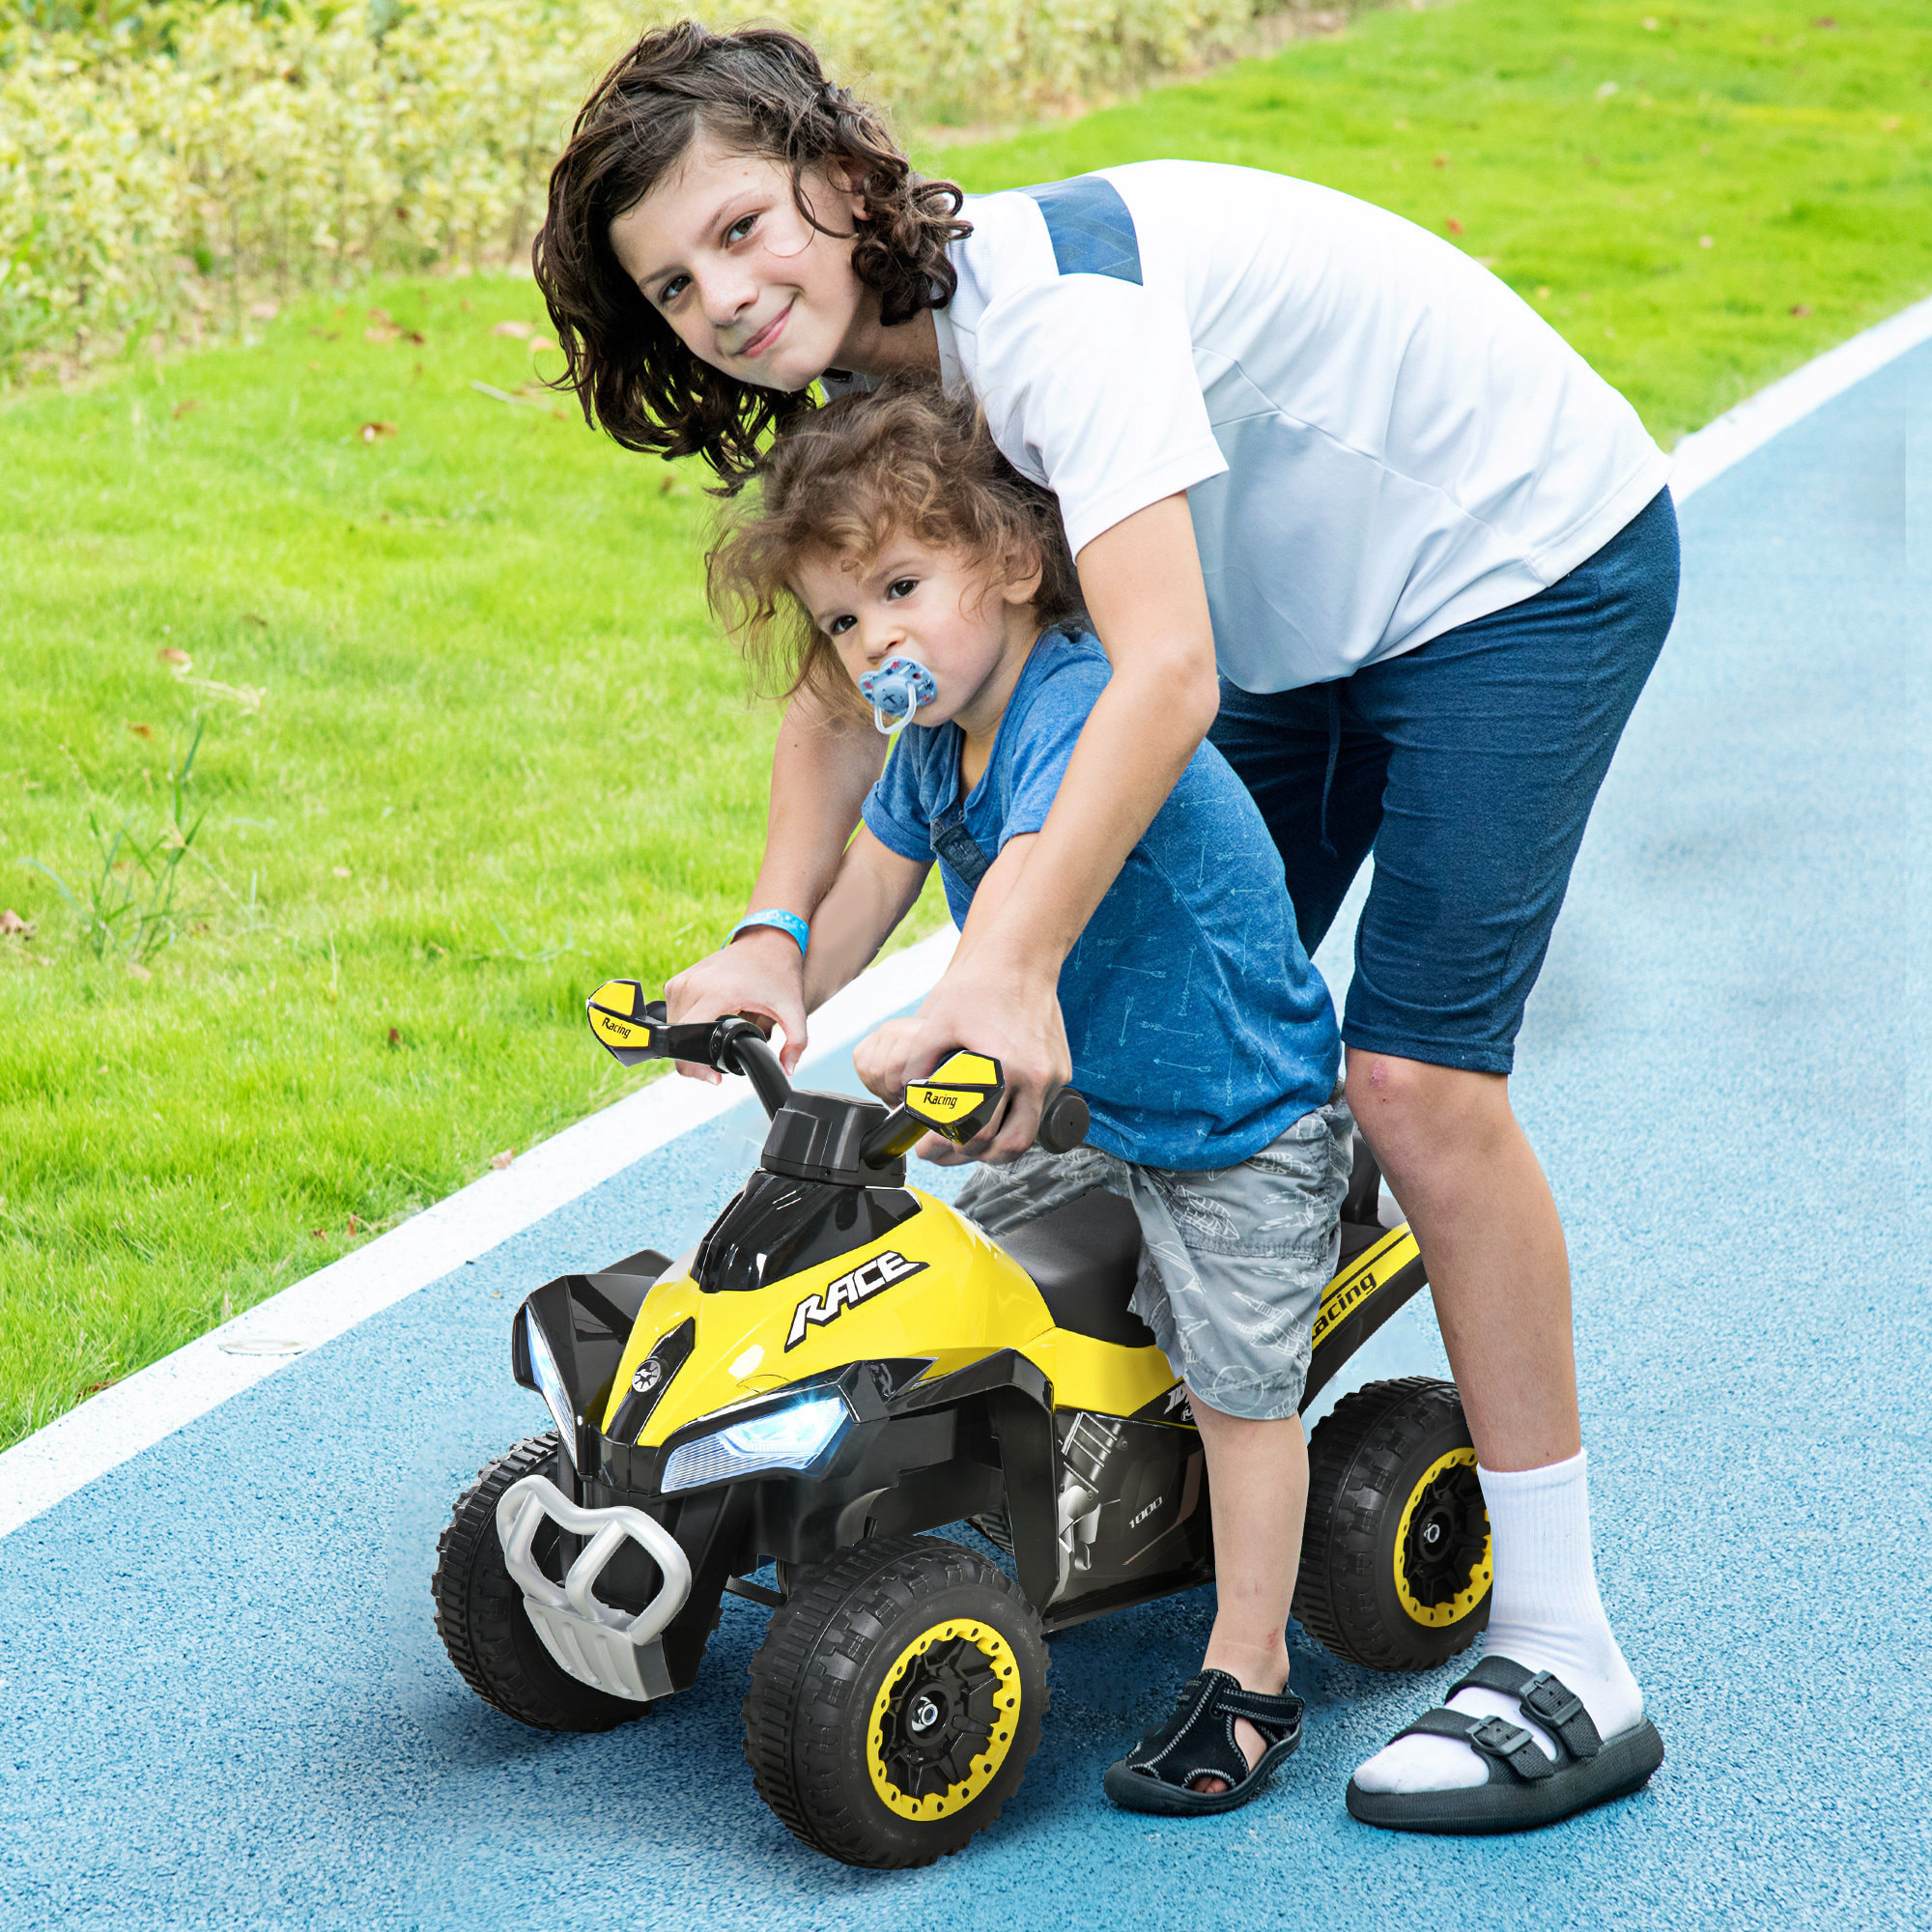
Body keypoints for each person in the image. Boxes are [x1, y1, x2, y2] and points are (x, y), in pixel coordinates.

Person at [534, 21, 1676, 1832]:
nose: (724, 296)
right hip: (1298, 616)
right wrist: (771, 934)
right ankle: (1148, 1448)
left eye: (745, 229)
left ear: (842, 180)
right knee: (1172, 1003)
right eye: (674, 284)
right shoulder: (864, 389)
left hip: (1507, 565)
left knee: (1408, 1083)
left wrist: (1005, 957)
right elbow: (856, 693)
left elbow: (1163, 669)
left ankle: (1563, 1650)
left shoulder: (1052, 323)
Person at [708, 375, 1350, 1813]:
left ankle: (1250, 1673)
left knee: (1242, 1382)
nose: (874, 638)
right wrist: (781, 962)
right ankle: (1061, 1507)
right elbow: (869, 881)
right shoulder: (933, 737)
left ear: (1007, 563)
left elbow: (1023, 904)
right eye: (842, 618)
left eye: (899, 586)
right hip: (1088, 1113)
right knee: (977, 1286)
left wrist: (942, 1025)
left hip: (1233, 1121)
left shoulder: (1071, 702)